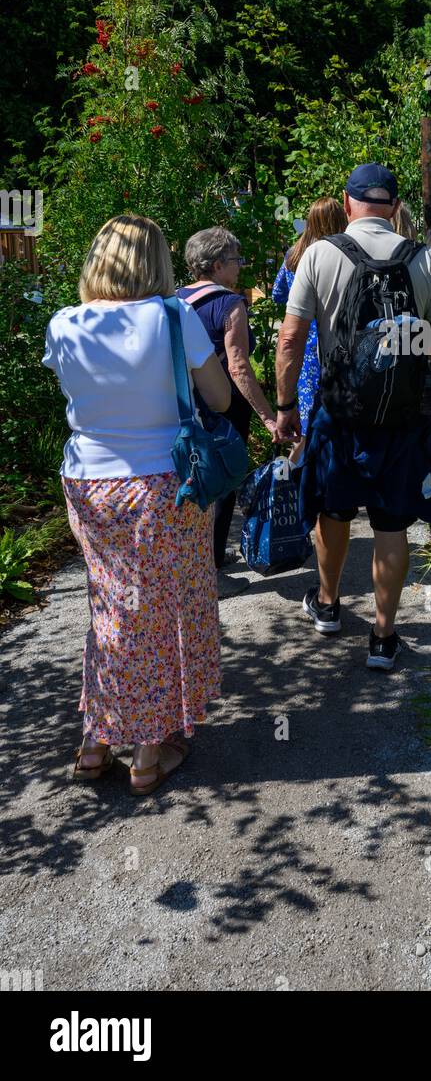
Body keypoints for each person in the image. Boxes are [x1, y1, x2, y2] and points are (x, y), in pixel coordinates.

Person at [42, 214, 232, 795]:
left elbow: (83, 398)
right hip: (161, 485)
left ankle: (94, 743)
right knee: (163, 613)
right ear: (157, 262)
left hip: (88, 487)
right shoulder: (172, 318)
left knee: (111, 608)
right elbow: (219, 399)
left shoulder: (64, 324)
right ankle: (148, 753)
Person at [274, 163, 431, 670]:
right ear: (395, 207)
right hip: (402, 419)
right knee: (391, 523)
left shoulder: (319, 255)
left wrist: (286, 407)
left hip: (339, 415)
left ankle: (328, 606)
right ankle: (383, 636)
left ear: (347, 204)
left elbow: (290, 339)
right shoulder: (424, 260)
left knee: (333, 512)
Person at [178, 227, 278, 597]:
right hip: (223, 404)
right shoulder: (230, 304)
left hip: (186, 406)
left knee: (193, 481)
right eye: (236, 260)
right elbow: (239, 367)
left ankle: (205, 558)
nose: (240, 267)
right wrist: (268, 416)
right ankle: (213, 572)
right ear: (217, 264)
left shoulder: (174, 300)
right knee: (223, 482)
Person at [271, 197, 347, 459]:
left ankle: (299, 476)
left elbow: (277, 293)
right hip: (335, 341)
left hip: (302, 342)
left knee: (305, 420)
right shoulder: (345, 254)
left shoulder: (294, 255)